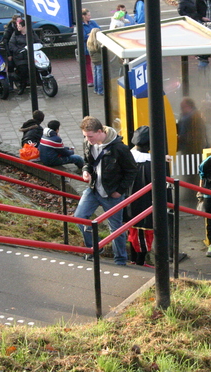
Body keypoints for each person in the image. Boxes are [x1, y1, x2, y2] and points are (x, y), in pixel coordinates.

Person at [74, 116, 137, 265]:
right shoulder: (89, 143)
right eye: (85, 136)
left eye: (90, 136)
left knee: (116, 229)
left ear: (100, 131)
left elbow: (132, 170)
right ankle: (95, 247)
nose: (88, 139)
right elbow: (87, 161)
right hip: (94, 188)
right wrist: (85, 170)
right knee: (79, 217)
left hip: (112, 193)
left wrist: (120, 190)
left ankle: (120, 260)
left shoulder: (120, 148)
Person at [125, 126, 154, 267]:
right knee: (144, 235)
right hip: (145, 204)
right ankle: (140, 262)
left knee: (132, 233)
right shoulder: (150, 163)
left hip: (127, 202)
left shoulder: (128, 157)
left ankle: (134, 259)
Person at [8, 18, 40, 92]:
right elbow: (11, 44)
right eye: (17, 26)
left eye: (19, 26)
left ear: (24, 26)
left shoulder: (31, 33)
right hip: (20, 56)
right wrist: (18, 51)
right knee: (24, 69)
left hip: (31, 55)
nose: (17, 27)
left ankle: (39, 80)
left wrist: (40, 44)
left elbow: (37, 40)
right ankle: (22, 85)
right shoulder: (15, 34)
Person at [81, 9, 100, 88]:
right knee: (87, 64)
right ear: (83, 16)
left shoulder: (93, 22)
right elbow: (83, 37)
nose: (90, 17)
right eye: (88, 15)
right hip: (86, 48)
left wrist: (90, 35)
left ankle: (97, 81)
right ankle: (90, 80)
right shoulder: (81, 25)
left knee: (97, 64)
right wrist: (92, 34)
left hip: (95, 47)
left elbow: (99, 31)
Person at [87, 27, 104, 95]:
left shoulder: (89, 41)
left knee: (96, 75)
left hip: (94, 60)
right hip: (100, 60)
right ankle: (100, 90)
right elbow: (101, 50)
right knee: (100, 76)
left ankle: (96, 89)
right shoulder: (97, 42)